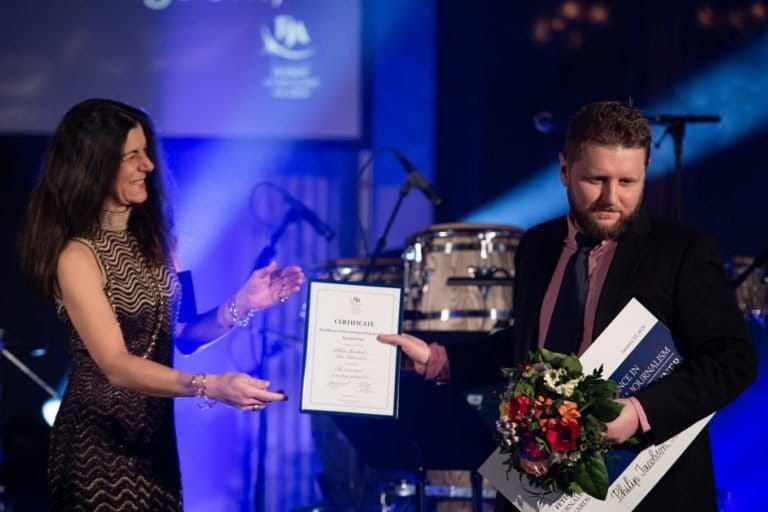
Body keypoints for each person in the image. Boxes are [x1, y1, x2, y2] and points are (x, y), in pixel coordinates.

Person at [379, 101, 757, 511]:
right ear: (564, 171)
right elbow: (525, 345)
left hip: (647, 492)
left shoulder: (681, 251)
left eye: (628, 182)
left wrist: (638, 411)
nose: (612, 198)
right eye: (596, 179)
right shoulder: (537, 246)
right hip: (538, 489)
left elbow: (732, 359)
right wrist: (439, 359)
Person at [18, 98, 305, 511]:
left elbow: (185, 333)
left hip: (156, 450)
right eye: (132, 155)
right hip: (95, 451)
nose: (148, 166)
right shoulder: (76, 256)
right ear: (95, 165)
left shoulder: (161, 240)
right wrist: (212, 386)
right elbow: (116, 365)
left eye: (146, 152)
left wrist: (241, 303)